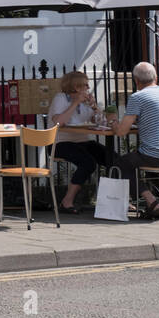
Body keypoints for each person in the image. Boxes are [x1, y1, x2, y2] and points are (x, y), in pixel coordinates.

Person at [110, 61, 159, 218]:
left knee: (122, 163)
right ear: (155, 77)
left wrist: (112, 120)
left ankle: (151, 202)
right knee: (151, 157)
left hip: (157, 155)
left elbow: (121, 131)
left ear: (136, 80)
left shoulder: (137, 97)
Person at [47, 71, 110, 213]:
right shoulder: (61, 98)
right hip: (59, 142)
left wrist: (94, 108)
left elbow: (103, 123)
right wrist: (75, 102)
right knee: (88, 163)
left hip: (82, 141)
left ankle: (119, 199)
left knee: (113, 158)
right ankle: (67, 201)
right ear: (76, 87)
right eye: (85, 85)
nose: (88, 88)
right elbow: (59, 122)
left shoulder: (86, 102)